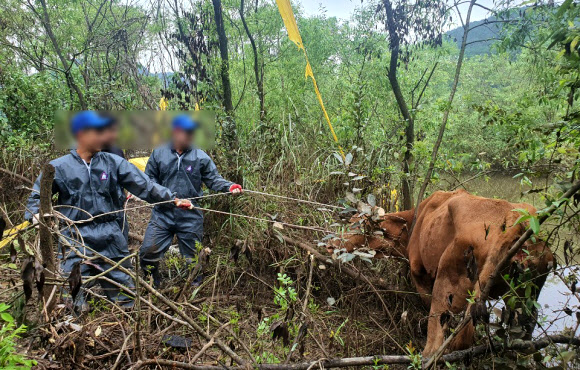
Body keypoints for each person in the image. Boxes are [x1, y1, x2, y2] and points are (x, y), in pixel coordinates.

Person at [25, 111, 192, 309]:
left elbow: (144, 185)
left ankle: (129, 325)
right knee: (71, 295)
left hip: (111, 236)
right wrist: (34, 214)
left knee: (126, 295)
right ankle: (74, 330)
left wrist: (172, 199)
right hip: (75, 238)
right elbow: (37, 196)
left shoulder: (113, 162)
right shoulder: (58, 167)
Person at [140, 114, 242, 287]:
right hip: (162, 214)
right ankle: (153, 282)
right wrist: (162, 197)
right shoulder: (159, 153)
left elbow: (213, 179)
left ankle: (193, 289)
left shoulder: (200, 157)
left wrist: (229, 186)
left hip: (190, 215)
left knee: (193, 259)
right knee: (147, 252)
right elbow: (148, 181)